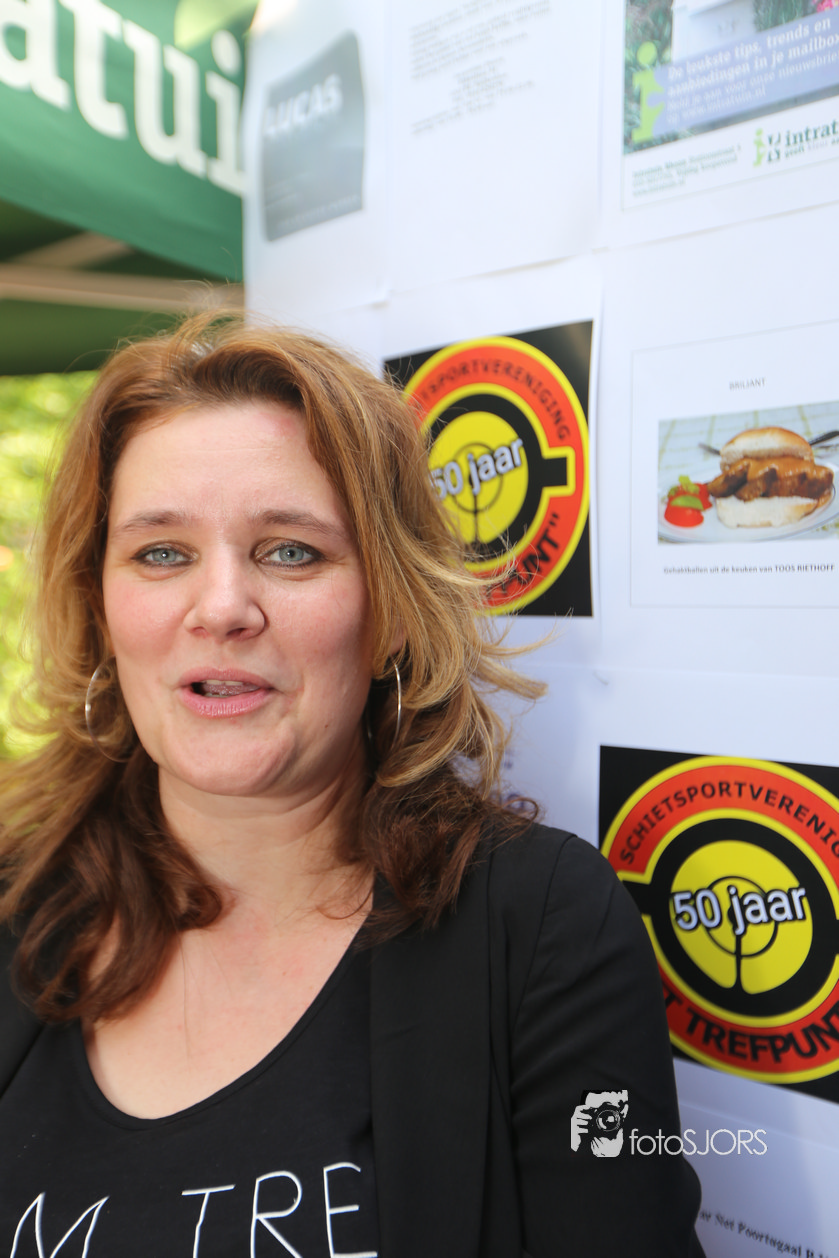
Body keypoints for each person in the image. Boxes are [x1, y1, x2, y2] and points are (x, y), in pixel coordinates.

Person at [0, 314, 704, 1256]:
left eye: (290, 550)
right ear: (101, 607)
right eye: (161, 552)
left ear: (392, 614)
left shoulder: (538, 927)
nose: (221, 608)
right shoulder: (15, 903)